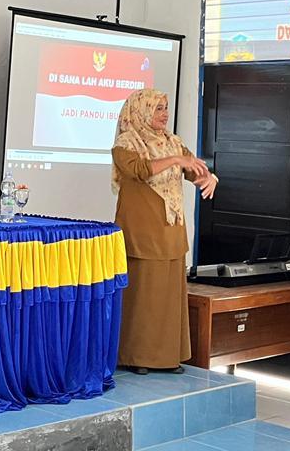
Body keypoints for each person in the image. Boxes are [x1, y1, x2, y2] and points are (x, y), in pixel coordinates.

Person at [110, 88, 218, 374]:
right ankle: (136, 357)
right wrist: (175, 160)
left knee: (169, 300)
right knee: (143, 297)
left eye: (166, 107)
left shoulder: (173, 142)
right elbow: (138, 170)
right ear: (141, 111)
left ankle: (168, 358)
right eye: (158, 108)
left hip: (171, 231)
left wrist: (210, 177)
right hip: (142, 232)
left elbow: (195, 170)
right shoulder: (126, 142)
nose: (164, 114)